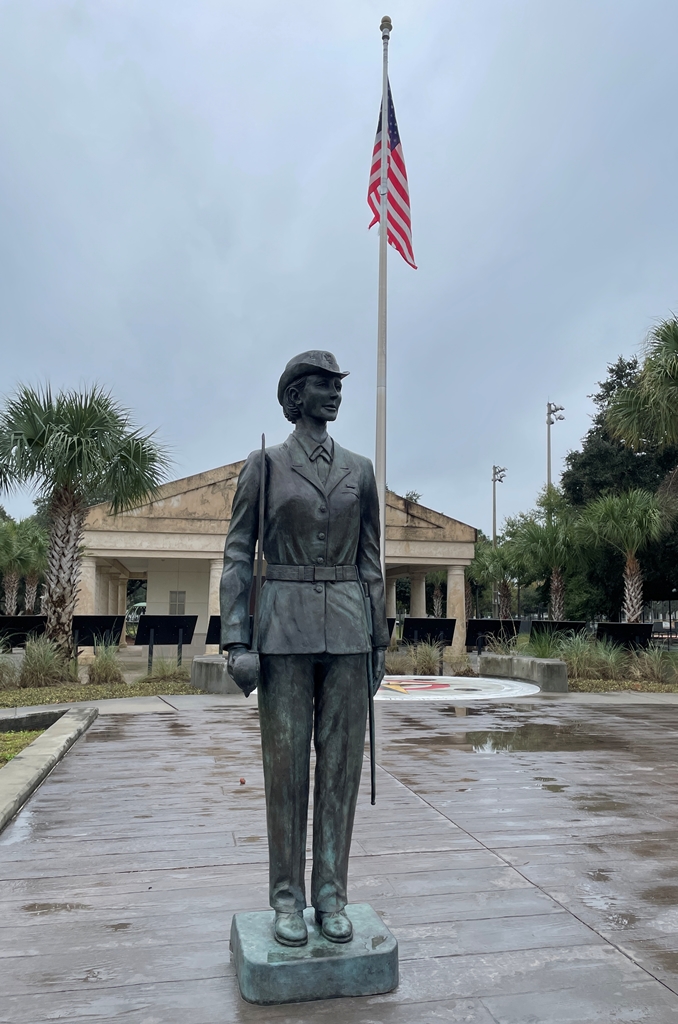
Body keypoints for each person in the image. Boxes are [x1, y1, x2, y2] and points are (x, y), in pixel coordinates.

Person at [220, 350, 389, 948]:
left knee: (341, 770)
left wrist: (379, 639)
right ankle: (287, 898)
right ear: (294, 397)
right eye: (322, 384)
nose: (334, 393)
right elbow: (239, 553)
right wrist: (235, 637)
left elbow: (372, 560)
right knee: (286, 772)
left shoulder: (361, 470)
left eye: (337, 385)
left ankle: (331, 895)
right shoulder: (264, 465)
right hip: (283, 630)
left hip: (347, 630)